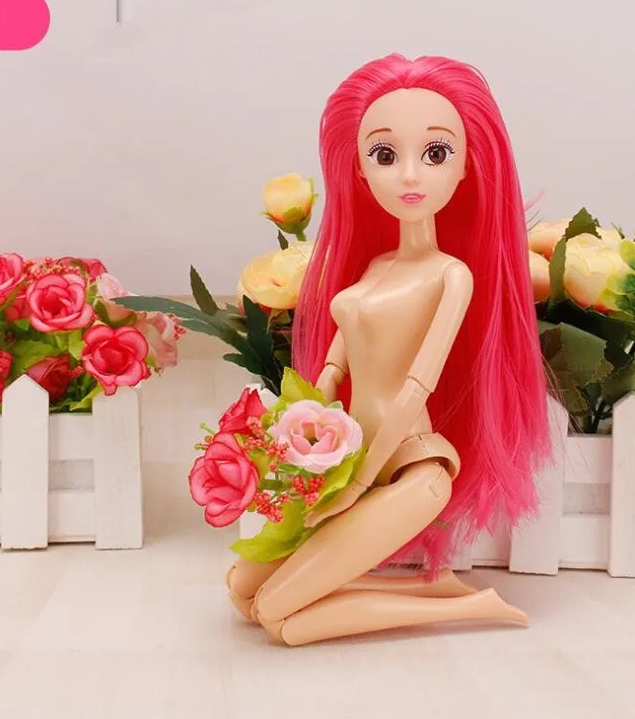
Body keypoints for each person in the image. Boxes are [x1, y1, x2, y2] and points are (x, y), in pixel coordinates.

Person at [227, 53, 551, 646]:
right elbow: (332, 371)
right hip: (352, 461)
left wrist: (357, 487)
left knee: (277, 618)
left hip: (409, 468)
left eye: (435, 153)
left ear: (466, 166)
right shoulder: (373, 266)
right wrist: (302, 441)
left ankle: (469, 607)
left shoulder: (451, 275)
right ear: (358, 169)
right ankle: (433, 587)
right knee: (241, 592)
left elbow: (413, 390)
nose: (409, 176)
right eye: (384, 154)